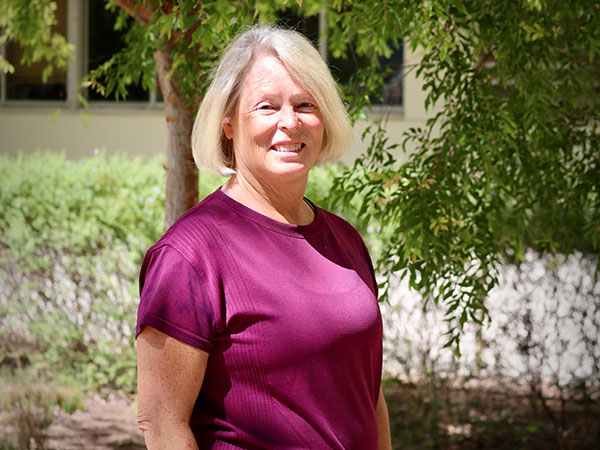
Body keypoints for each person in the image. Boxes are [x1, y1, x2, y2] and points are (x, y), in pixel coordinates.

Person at [135, 25, 392, 450]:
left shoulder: (345, 241)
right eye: (267, 107)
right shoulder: (190, 256)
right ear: (230, 122)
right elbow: (163, 425)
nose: (290, 123)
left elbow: (369, 396)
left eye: (305, 104)